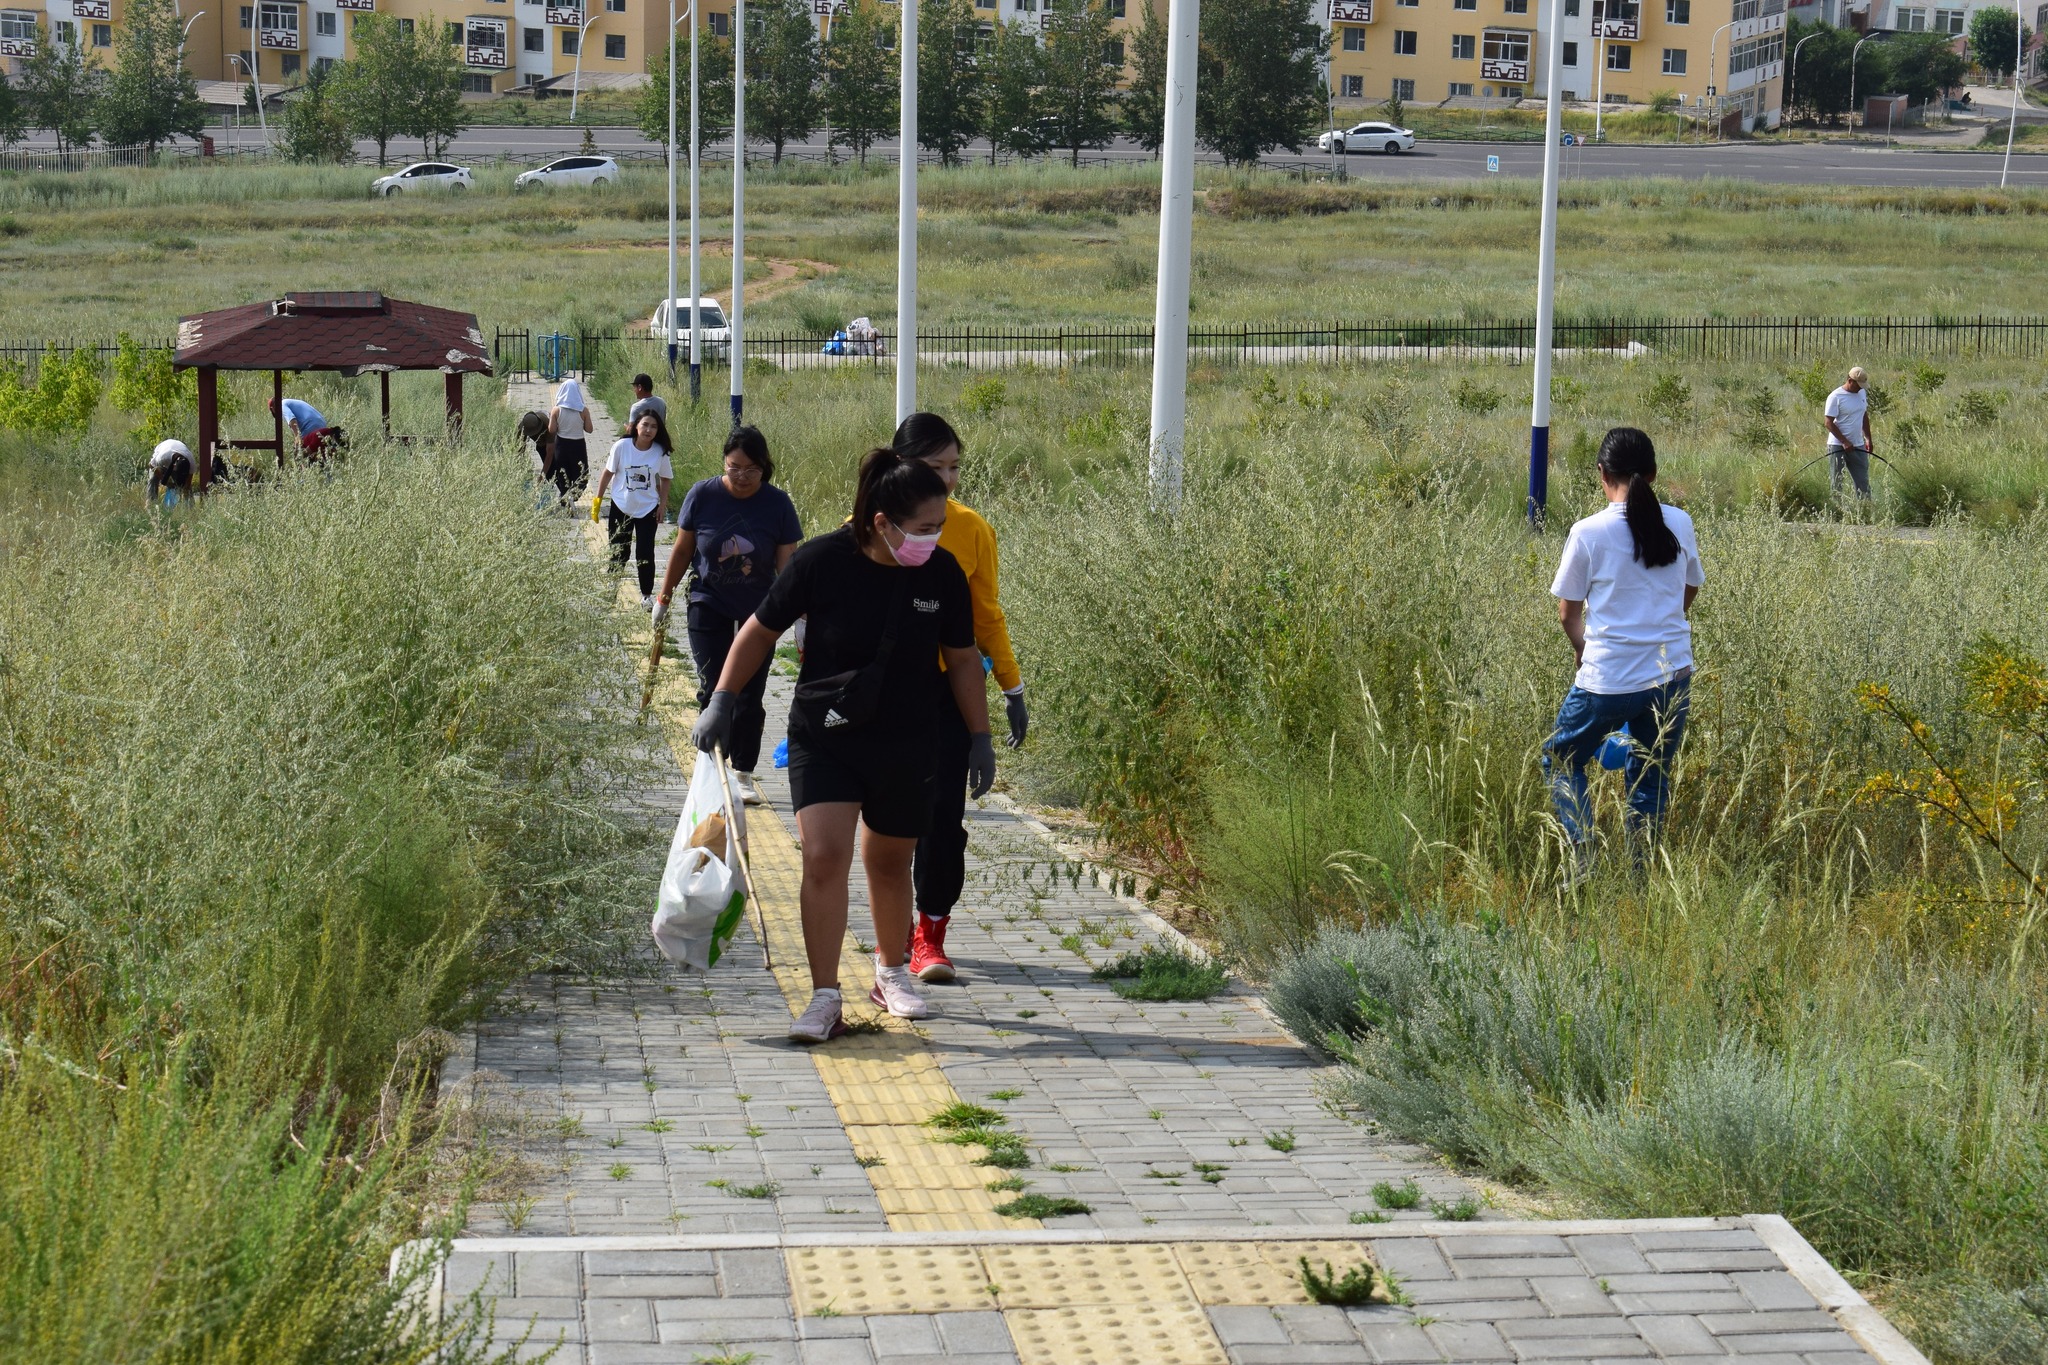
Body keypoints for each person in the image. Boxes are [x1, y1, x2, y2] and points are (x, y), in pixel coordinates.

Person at [691, 448, 996, 1043]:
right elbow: (759, 629)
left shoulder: (942, 575)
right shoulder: (821, 562)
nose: (934, 539)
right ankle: (825, 995)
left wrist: (979, 736)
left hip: (908, 738)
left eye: (939, 528)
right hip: (824, 735)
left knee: (889, 861)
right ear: (882, 522)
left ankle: (890, 974)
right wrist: (723, 699)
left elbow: (962, 660)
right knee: (824, 856)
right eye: (925, 528)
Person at [893, 412, 1027, 984]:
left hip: (950, 693)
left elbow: (985, 617)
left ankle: (930, 935)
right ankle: (890, 929)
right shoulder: (866, 525)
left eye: (954, 467)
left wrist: (1011, 690)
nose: (947, 480)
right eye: (933, 467)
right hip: (885, 699)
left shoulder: (972, 530)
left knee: (944, 818)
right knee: (891, 820)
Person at [1543, 427, 1704, 872]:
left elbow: (1567, 613)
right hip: (1672, 674)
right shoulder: (1681, 522)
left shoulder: (1588, 532)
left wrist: (1582, 649)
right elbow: (1689, 589)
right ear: (1653, 473)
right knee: (1650, 774)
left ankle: (1583, 855)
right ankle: (1641, 873)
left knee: (1560, 758)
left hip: (1608, 679)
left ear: (1601, 473)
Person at [653, 425, 803, 806]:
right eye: (734, 468)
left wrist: (799, 616)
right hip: (709, 601)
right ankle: (709, 770)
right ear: (724, 463)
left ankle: (743, 772)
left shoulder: (778, 504)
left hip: (760, 611)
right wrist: (663, 598)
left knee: (749, 695)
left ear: (764, 468)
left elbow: (788, 566)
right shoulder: (703, 494)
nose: (741, 477)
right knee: (714, 689)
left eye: (751, 470)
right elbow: (683, 550)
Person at [596, 411, 674, 608]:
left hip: (647, 509)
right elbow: (607, 473)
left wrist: (662, 505)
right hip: (621, 506)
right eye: (645, 425)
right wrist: (597, 500)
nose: (648, 430)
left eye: (653, 426)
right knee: (618, 551)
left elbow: (666, 478)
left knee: (645, 553)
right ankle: (610, 590)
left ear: (658, 430)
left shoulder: (660, 451)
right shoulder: (622, 447)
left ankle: (646, 596)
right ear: (636, 426)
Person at [1823, 364, 1874, 501]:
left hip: (1858, 444)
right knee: (1837, 482)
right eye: (1858, 385)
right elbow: (1828, 422)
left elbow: (1864, 415)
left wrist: (1868, 438)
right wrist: (1844, 441)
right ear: (1850, 381)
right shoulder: (1835, 396)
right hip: (1837, 445)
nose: (1860, 388)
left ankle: (1865, 512)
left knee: (1863, 481)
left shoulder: (1862, 393)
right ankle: (1836, 514)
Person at [548, 378, 594, 503]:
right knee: (581, 474)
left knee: (563, 474)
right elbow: (589, 429)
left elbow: (552, 430)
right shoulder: (583, 410)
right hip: (578, 445)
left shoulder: (556, 410)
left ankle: (565, 497)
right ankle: (573, 497)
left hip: (561, 445)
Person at [147, 438, 194, 508]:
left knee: (186, 487)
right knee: (153, 479)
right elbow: (151, 465)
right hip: (162, 461)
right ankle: (151, 505)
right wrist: (165, 480)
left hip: (176, 457)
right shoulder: (162, 457)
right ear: (174, 466)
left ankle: (190, 508)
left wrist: (185, 489)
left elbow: (188, 482)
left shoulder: (191, 463)